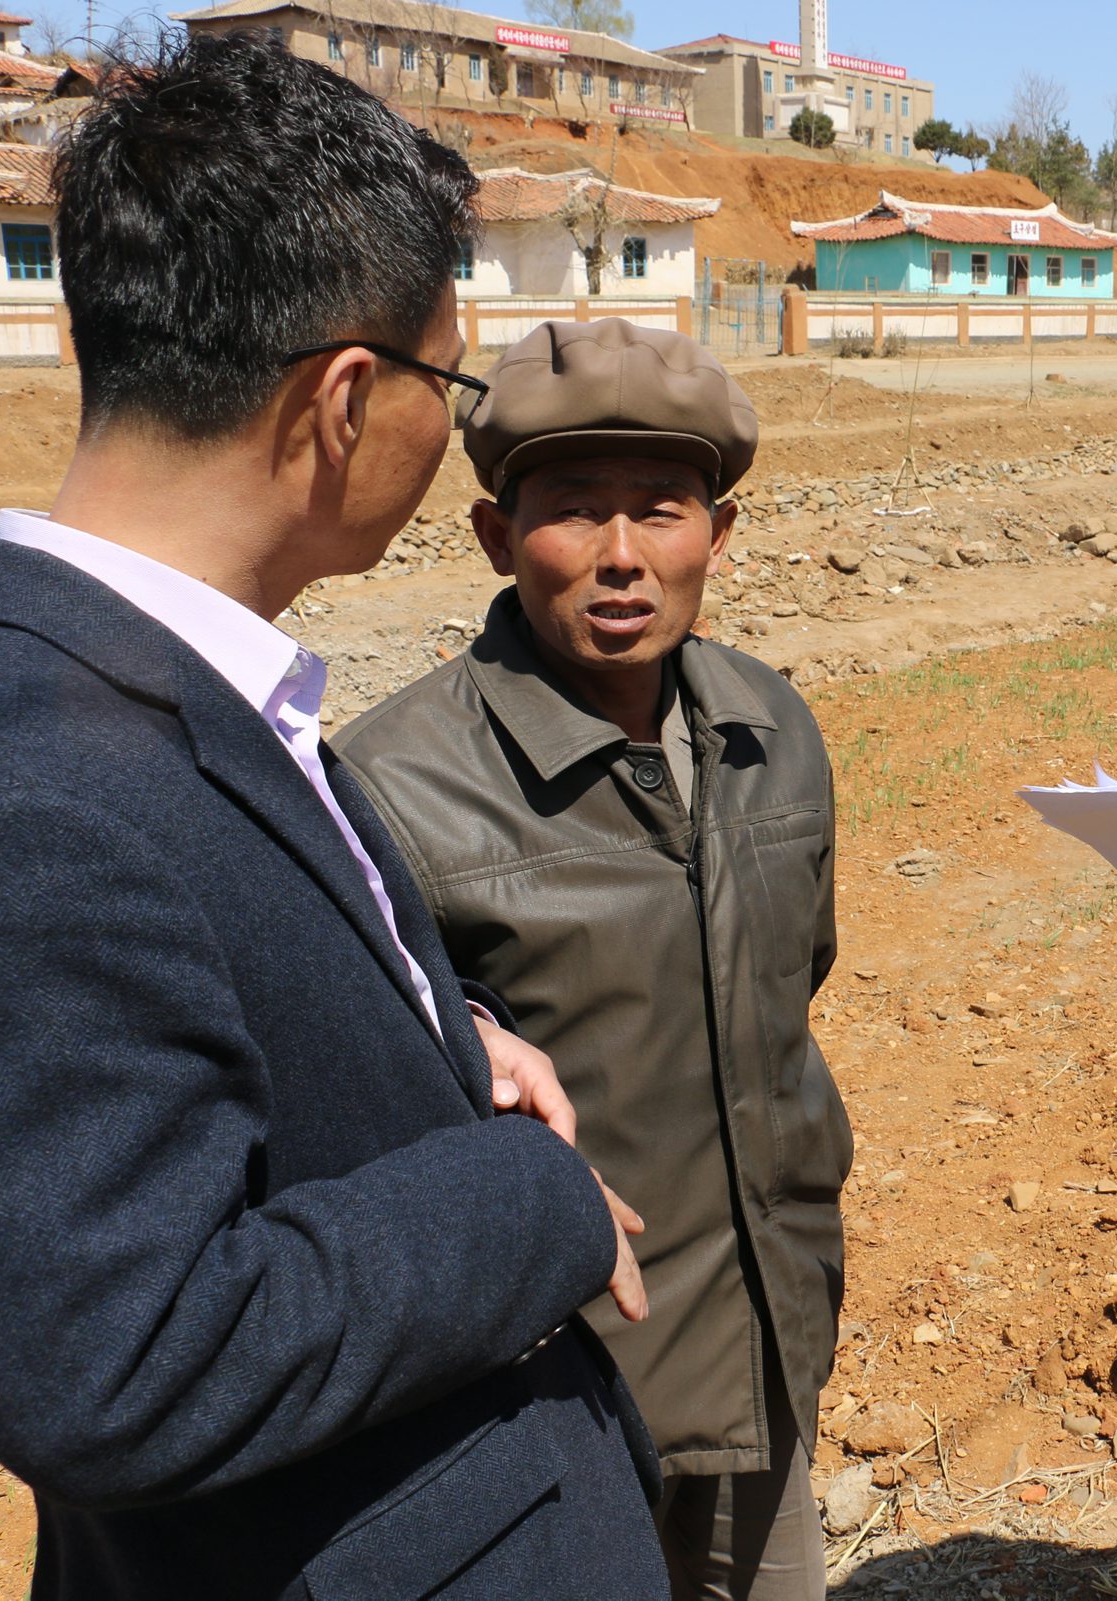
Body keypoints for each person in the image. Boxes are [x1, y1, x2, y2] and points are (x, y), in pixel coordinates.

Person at [0, 34, 668, 1600]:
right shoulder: (38, 790)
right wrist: (524, 1199)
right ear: (346, 399)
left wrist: (432, 1037)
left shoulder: (162, 687)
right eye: (446, 381)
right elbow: (113, 1359)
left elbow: (212, 986)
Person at [335, 318, 853, 1601]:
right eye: (574, 511)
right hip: (537, 1396)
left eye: (661, 511)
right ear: (499, 539)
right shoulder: (392, 785)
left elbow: (792, 992)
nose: (622, 556)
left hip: (761, 1354)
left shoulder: (769, 729)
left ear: (717, 538)